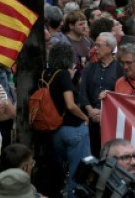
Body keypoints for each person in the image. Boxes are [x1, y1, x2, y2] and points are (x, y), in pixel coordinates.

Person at [47, 43, 90, 198]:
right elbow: (70, 105)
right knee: (78, 171)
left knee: (60, 168)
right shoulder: (64, 74)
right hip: (73, 128)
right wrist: (85, 117)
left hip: (54, 129)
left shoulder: (47, 73)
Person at [79, 32, 123, 156]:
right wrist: (91, 111)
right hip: (91, 120)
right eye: (95, 45)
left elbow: (121, 96)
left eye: (99, 46)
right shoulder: (89, 68)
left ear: (110, 48)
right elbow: (83, 92)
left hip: (111, 120)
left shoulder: (119, 69)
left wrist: (104, 113)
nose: (95, 49)